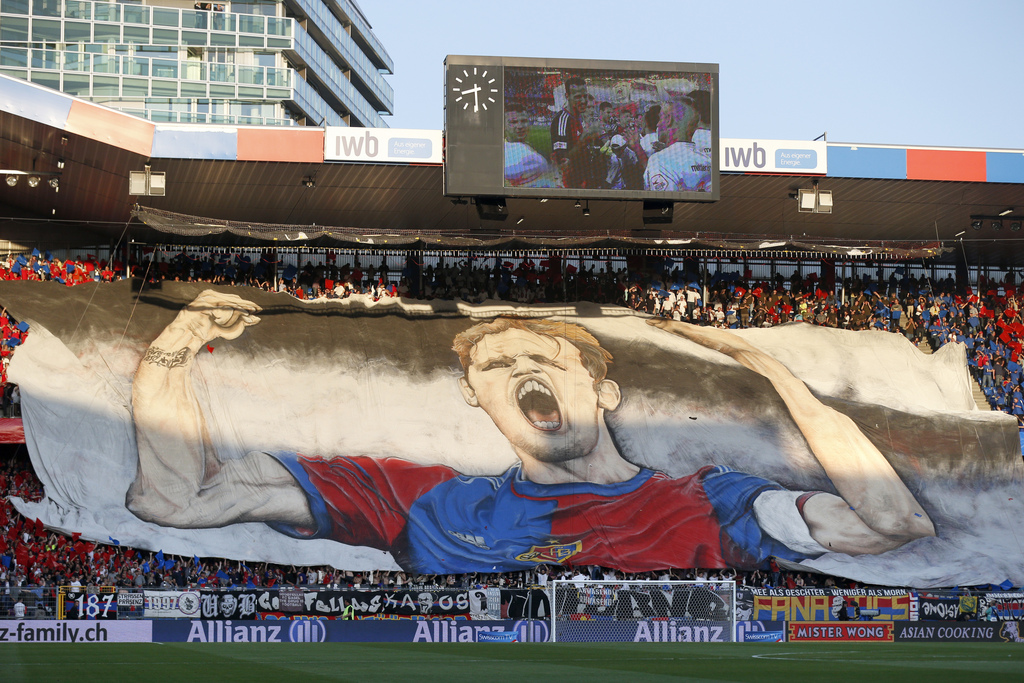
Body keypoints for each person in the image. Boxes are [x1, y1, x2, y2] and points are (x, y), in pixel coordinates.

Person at [128, 291, 935, 574]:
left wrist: (778, 379)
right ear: (478, 397)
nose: (519, 370)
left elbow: (895, 521)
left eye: (540, 355)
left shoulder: (711, 503)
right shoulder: (428, 505)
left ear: (601, 387)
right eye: (496, 364)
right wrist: (167, 354)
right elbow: (174, 499)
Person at [643, 98, 712, 193]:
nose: (658, 124)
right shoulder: (707, 161)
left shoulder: (659, 160)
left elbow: (663, 202)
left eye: (660, 118)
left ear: (668, 119)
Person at [504, 105, 556, 188]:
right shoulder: (504, 154)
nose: (520, 126)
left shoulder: (527, 147)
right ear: (504, 126)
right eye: (513, 122)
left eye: (524, 121)